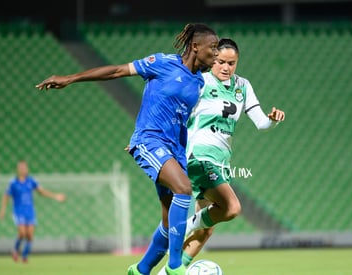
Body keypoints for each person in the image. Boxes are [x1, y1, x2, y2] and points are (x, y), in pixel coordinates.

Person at [36, 23, 218, 275]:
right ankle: (176, 267)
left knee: (169, 220)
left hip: (174, 149)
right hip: (151, 141)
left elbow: (178, 116)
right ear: (195, 46)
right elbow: (117, 71)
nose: (216, 53)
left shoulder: (199, 82)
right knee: (184, 189)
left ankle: (140, 270)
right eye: (213, 47)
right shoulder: (162, 63)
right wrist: (70, 78)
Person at [156, 38, 285, 274]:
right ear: (212, 60)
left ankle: (168, 272)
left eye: (232, 63)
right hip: (199, 157)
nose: (226, 68)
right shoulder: (199, 81)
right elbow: (173, 111)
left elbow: (261, 123)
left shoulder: (243, 86)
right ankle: (179, 228)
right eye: (221, 62)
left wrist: (273, 120)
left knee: (206, 229)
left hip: (221, 161)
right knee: (232, 207)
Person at [0, 160, 66, 263]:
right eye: (21, 167)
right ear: (18, 169)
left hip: (30, 211)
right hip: (18, 211)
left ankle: (25, 256)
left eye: (25, 167)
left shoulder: (31, 181)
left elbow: (41, 192)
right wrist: (3, 209)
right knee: (22, 233)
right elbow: (6, 196)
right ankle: (16, 250)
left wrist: (55, 196)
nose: (23, 169)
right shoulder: (13, 183)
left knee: (30, 235)